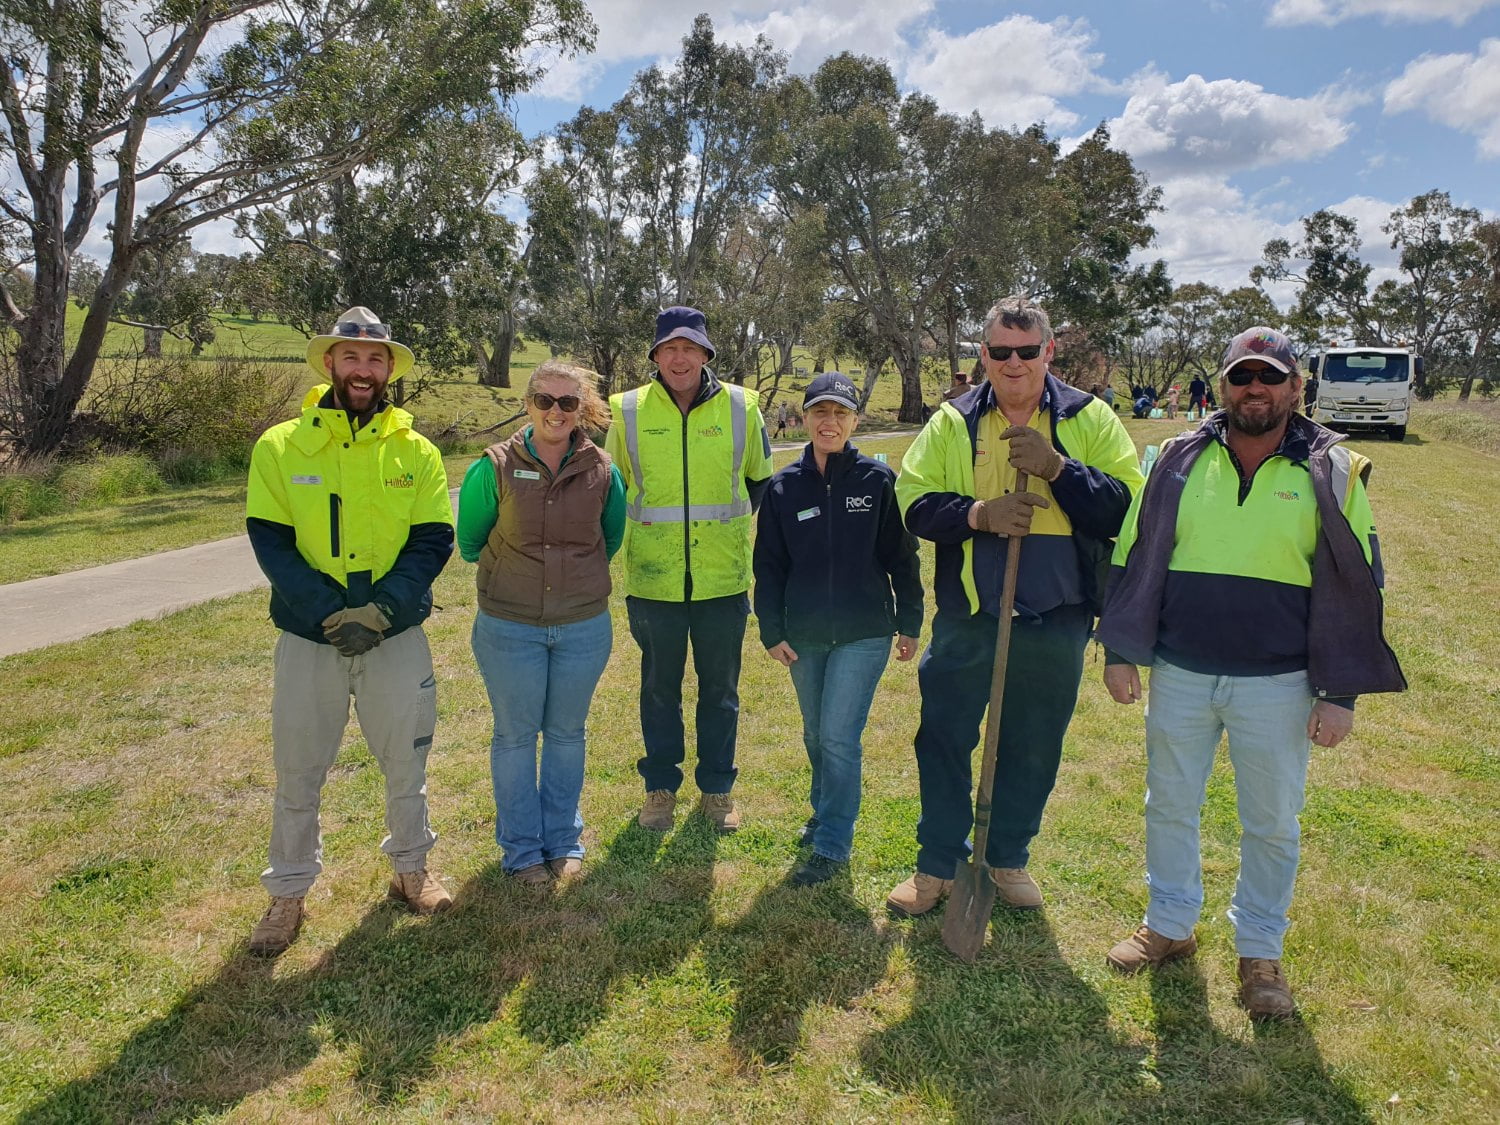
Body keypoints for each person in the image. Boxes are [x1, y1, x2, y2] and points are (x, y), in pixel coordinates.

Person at [1096, 326, 1405, 1019]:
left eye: (1271, 376)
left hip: (1279, 681)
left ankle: (1260, 952)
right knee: (1169, 803)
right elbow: (1130, 555)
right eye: (1242, 376)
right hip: (1181, 670)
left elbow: (1359, 582)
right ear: (1223, 385)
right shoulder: (1174, 459)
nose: (1255, 389)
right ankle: (1169, 924)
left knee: (1270, 821)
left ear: (1297, 387)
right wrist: (1122, 649)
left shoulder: (1332, 469)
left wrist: (1341, 692)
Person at [886, 295, 1143, 918]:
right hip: (970, 615)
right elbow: (913, 500)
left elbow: (1126, 507)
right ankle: (938, 863)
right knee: (944, 736)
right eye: (1000, 351)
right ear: (985, 355)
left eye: (1027, 351)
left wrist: (1058, 469)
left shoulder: (1091, 419)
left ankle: (1006, 857)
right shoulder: (952, 422)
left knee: (1032, 742)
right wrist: (980, 514)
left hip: (1058, 614)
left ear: (1048, 353)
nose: (1014, 363)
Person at [244, 306, 455, 956]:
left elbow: (432, 541)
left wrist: (381, 611)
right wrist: (330, 614)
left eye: (375, 359)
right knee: (298, 770)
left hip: (394, 636)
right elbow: (272, 543)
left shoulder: (415, 450)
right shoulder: (281, 446)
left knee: (406, 760)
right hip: (312, 639)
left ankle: (412, 872)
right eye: (351, 357)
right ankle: (287, 894)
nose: (363, 369)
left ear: (389, 368)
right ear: (330, 363)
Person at [458, 361, 626, 888]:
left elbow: (610, 539)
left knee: (566, 736)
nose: (556, 411)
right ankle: (522, 850)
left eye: (568, 403)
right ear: (528, 403)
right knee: (513, 737)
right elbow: (469, 541)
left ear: (583, 409)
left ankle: (563, 840)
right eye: (545, 400)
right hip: (510, 627)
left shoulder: (603, 470)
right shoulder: (494, 466)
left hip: (581, 628)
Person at [606, 307, 773, 833]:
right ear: (656, 356)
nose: (680, 358)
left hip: (721, 581)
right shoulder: (627, 411)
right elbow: (614, 488)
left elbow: (760, 481)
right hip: (653, 581)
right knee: (659, 689)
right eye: (669, 349)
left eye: (690, 348)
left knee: (720, 690)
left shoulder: (744, 408)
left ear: (706, 354)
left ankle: (718, 790)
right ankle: (659, 788)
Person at [754, 373, 923, 885]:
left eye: (841, 414)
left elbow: (902, 555)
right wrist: (771, 629)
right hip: (802, 635)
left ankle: (832, 843)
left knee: (838, 737)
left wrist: (910, 620)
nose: (831, 423)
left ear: (854, 420)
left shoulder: (876, 482)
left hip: (864, 633)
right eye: (820, 413)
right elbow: (769, 565)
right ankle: (823, 811)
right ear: (804, 419)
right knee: (814, 733)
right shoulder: (784, 486)